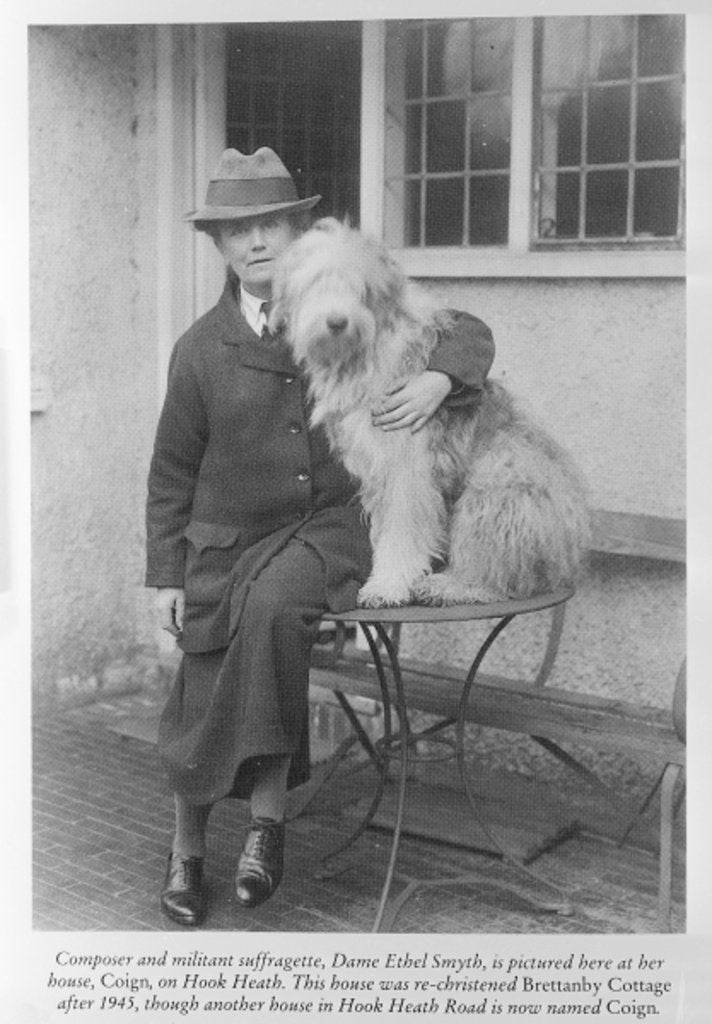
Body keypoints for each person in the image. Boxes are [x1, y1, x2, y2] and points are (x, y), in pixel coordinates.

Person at [146, 147, 495, 927]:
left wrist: (442, 376)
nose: (258, 243)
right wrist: (168, 573)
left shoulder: (340, 310)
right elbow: (172, 469)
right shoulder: (200, 349)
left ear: (299, 232)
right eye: (238, 232)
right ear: (219, 247)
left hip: (326, 530)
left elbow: (461, 328)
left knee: (272, 613)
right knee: (204, 656)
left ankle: (266, 828)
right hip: (227, 538)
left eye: (273, 224)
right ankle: (186, 850)